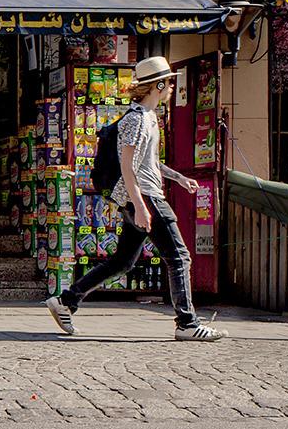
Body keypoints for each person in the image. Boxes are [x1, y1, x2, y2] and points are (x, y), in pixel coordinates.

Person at [46, 56, 225, 341]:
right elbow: (127, 165)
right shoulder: (136, 119)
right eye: (168, 83)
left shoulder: (148, 117)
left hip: (142, 195)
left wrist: (178, 178)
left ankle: (66, 301)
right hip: (146, 197)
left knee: (122, 262)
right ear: (158, 85)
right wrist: (140, 206)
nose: (170, 89)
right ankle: (187, 323)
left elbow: (148, 162)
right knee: (179, 257)